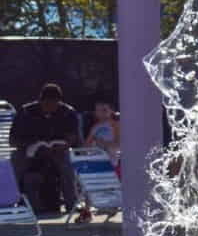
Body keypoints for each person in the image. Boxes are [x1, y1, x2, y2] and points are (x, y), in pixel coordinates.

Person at [9, 83, 81, 215]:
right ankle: (7, 202)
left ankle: (72, 204)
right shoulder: (26, 112)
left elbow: (74, 138)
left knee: (67, 164)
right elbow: (12, 140)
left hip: (57, 151)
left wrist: (63, 145)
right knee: (15, 161)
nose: (50, 108)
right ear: (40, 100)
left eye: (54, 104)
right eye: (46, 104)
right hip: (29, 150)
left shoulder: (68, 113)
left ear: (59, 102)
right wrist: (32, 144)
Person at [84, 97, 121, 169]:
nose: (101, 113)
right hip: (97, 161)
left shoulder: (116, 125)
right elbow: (86, 145)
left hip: (112, 163)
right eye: (98, 110)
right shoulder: (95, 127)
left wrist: (104, 143)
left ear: (111, 110)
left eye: (104, 110)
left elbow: (118, 145)